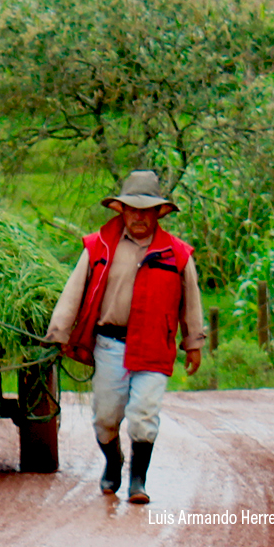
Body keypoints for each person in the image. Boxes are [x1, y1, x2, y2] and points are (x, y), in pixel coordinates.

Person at [46, 170, 205, 504]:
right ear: (121, 210)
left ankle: (138, 481)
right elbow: (74, 290)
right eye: (132, 209)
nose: (138, 217)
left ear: (158, 213)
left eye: (146, 211)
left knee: (144, 415)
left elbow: (191, 301)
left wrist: (193, 344)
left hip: (154, 346)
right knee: (106, 417)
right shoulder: (99, 246)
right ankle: (113, 462)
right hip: (110, 344)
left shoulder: (177, 254)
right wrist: (59, 332)